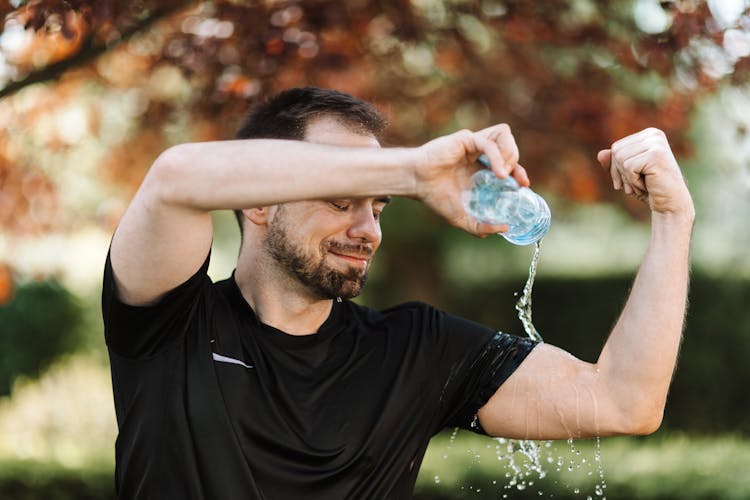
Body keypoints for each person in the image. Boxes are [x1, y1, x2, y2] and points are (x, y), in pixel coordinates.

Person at [101, 87, 694, 499]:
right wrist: (410, 172)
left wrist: (674, 219)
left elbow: (623, 402)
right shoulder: (168, 323)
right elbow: (175, 179)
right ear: (259, 201)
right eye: (342, 199)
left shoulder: (415, 349)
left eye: (378, 205)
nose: (369, 229)